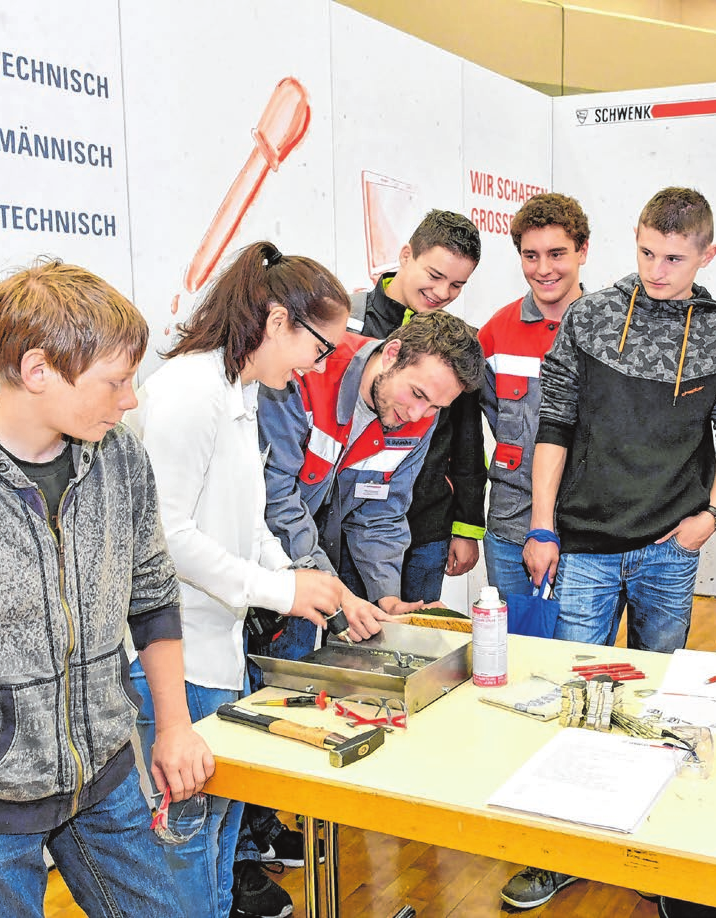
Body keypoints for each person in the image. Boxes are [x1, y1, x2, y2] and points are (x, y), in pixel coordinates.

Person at [0, 260, 212, 918]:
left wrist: (173, 726)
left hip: (107, 779)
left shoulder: (120, 457)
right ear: (37, 371)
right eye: (115, 381)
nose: (130, 398)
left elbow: (153, 594)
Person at [507, 187, 716, 911]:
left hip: (671, 546)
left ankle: (658, 849)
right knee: (582, 695)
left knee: (665, 703)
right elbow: (554, 423)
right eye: (646, 251)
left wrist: (712, 513)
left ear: (707, 255)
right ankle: (565, 848)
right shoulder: (589, 315)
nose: (656, 269)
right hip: (582, 543)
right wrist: (543, 527)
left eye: (673, 257)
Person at [125, 241, 388, 918]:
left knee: (214, 845)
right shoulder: (188, 393)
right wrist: (281, 591)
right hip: (172, 661)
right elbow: (166, 537)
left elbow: (248, 525)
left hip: (215, 652)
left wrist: (303, 580)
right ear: (277, 322)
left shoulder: (235, 393)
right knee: (185, 852)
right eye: (319, 347)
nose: (317, 366)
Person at [258, 309, 484, 645]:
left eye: (437, 407)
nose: (417, 415)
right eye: (418, 394)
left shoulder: (420, 416)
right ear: (392, 354)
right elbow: (277, 502)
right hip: (257, 558)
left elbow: (381, 513)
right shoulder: (308, 371)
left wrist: (387, 598)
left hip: (311, 566)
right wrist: (338, 594)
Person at [349, 210, 487, 603]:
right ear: (406, 255)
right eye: (435, 276)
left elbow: (467, 440)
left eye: (457, 285)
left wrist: (466, 524)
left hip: (427, 523)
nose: (443, 292)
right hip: (352, 523)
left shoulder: (458, 346)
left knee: (417, 635)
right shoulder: (349, 323)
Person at [480, 192, 590, 597]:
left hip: (588, 534)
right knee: (507, 651)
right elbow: (487, 417)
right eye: (531, 256)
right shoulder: (495, 333)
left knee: (577, 657)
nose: (543, 269)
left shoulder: (610, 333)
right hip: (511, 527)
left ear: (583, 251)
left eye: (557, 254)